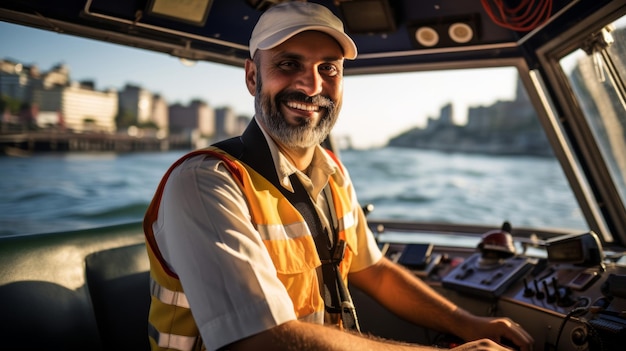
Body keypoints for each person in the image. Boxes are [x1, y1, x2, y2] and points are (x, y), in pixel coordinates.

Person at [143, 2, 534, 351]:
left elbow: (374, 270)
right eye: (288, 64)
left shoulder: (333, 173)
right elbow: (260, 339)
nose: (312, 86)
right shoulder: (204, 182)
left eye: (328, 68)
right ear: (251, 78)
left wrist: (466, 323)